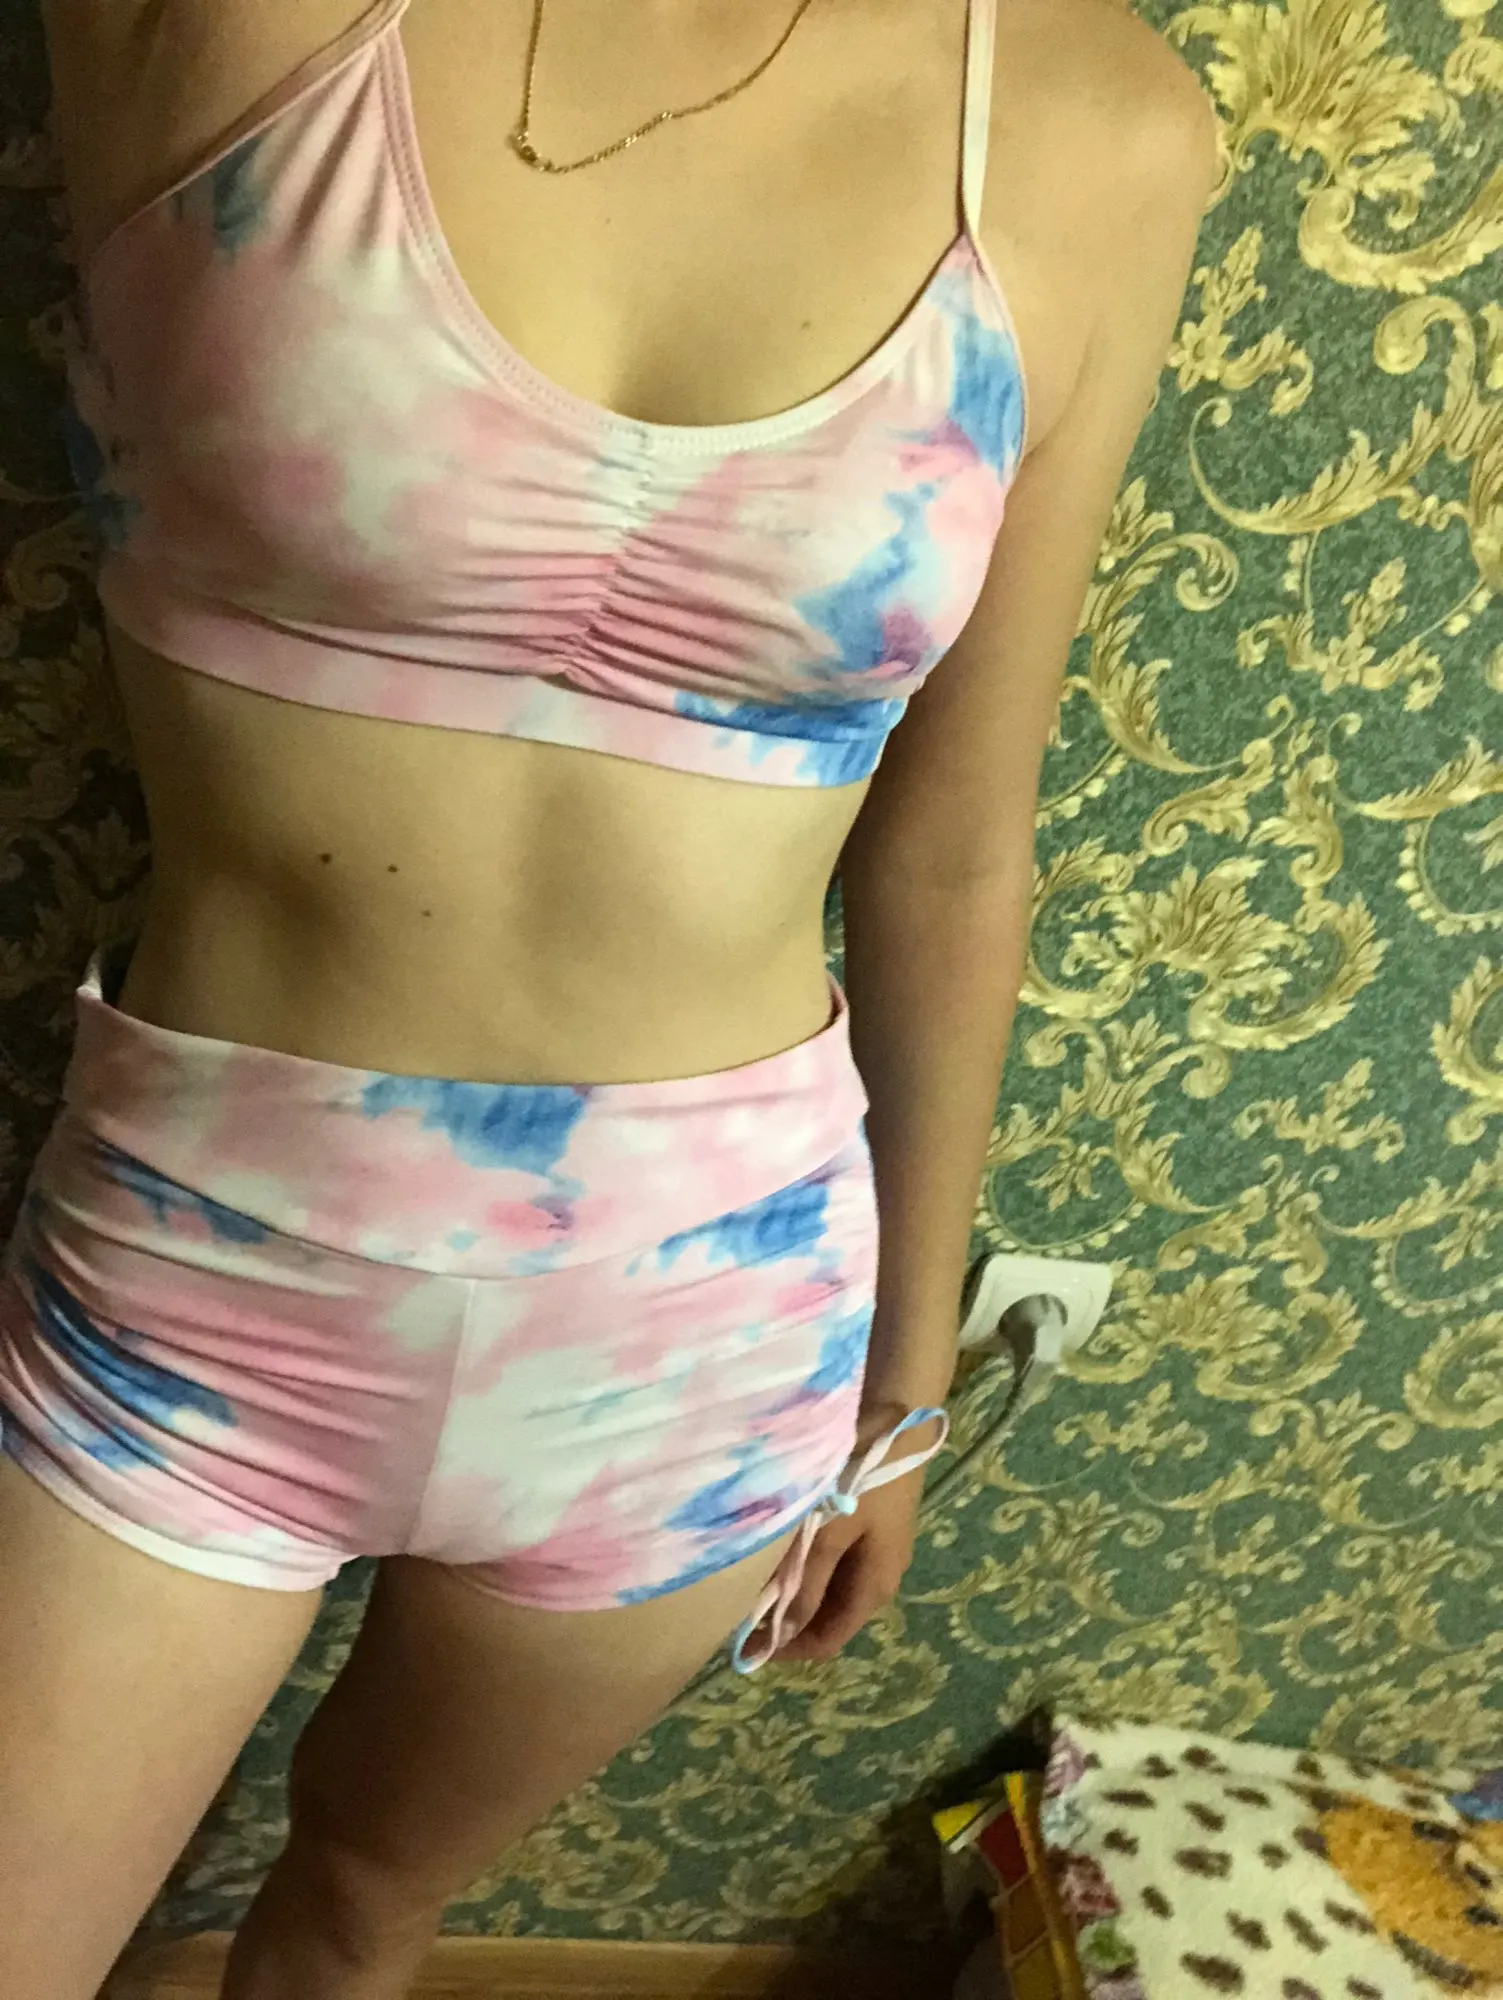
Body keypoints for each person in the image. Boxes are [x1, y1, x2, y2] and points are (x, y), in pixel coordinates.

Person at [0, 1, 1219, 1994]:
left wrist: (905, 1396)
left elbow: (951, 847)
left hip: (703, 1336)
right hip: (197, 1272)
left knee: (360, 1912)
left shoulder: (1105, 128)